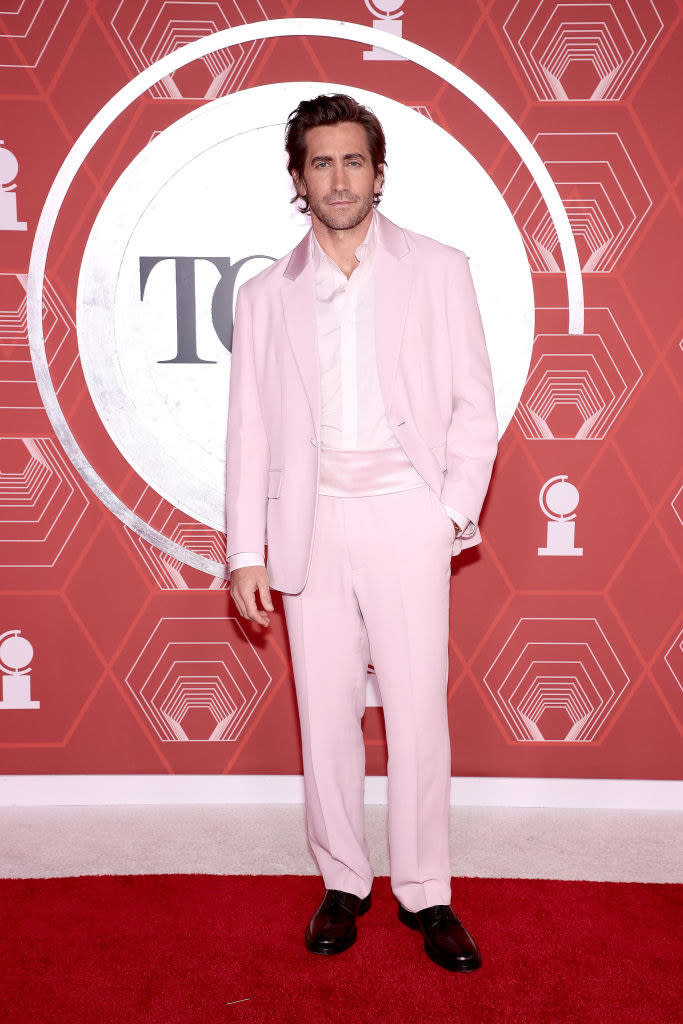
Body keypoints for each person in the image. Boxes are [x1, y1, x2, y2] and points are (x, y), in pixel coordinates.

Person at [226, 93, 498, 972]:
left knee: (417, 710)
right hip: (310, 526)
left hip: (405, 517)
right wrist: (244, 549)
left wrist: (448, 512)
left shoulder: (439, 268)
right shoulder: (268, 294)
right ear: (297, 179)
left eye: (352, 160)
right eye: (319, 162)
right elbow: (250, 430)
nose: (337, 177)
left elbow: (471, 409)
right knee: (327, 714)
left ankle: (426, 893)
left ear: (378, 173)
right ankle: (343, 881)